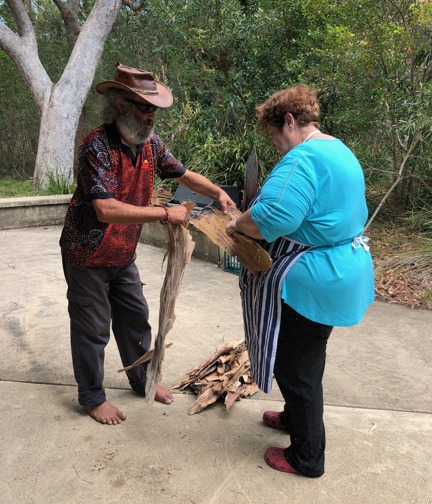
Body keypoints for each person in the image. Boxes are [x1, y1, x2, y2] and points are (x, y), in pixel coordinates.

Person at [60, 64, 236, 425]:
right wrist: (163, 214)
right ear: (121, 106)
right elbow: (106, 209)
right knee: (92, 327)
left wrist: (218, 193)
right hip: (87, 254)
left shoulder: (150, 144)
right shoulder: (96, 146)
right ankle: (92, 397)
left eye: (155, 109)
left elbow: (184, 175)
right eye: (145, 108)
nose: (152, 116)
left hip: (123, 252)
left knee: (135, 319)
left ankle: (143, 379)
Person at [226, 84, 374, 477]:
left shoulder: (303, 158)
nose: (277, 147)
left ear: (289, 122)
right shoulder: (337, 149)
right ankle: (295, 416)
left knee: (295, 368)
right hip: (341, 268)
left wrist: (236, 223)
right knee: (307, 358)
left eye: (275, 136)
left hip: (313, 278)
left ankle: (307, 457)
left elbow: (271, 219)